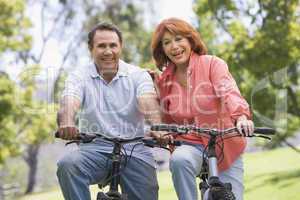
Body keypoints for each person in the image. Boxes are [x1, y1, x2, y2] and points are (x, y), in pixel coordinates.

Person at [56, 22, 165, 200]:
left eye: (113, 45)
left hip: (134, 148)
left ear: (120, 47)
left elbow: (147, 101)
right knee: (68, 165)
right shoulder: (79, 76)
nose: (108, 51)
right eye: (101, 46)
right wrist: (67, 121)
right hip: (94, 148)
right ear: (91, 48)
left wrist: (158, 126)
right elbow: (69, 100)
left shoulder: (138, 74)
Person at [151, 18, 254, 200]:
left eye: (179, 39)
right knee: (179, 160)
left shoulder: (212, 64)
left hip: (224, 143)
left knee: (231, 197)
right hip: (190, 145)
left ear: (190, 40)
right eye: (167, 43)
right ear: (162, 50)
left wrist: (241, 117)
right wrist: (161, 130)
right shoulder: (165, 80)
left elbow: (228, 91)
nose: (174, 46)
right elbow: (167, 119)